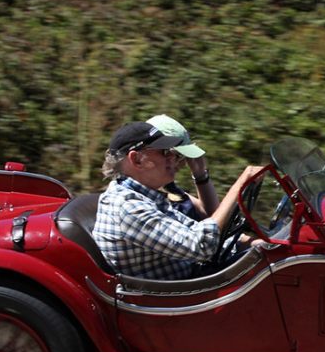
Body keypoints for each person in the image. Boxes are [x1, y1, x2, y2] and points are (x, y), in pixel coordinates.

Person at [92, 120, 264, 280]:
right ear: (137, 160)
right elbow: (201, 245)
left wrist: (256, 244)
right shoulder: (127, 206)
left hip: (194, 281)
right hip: (171, 300)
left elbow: (196, 231)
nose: (173, 159)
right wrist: (241, 184)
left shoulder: (147, 197)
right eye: (164, 152)